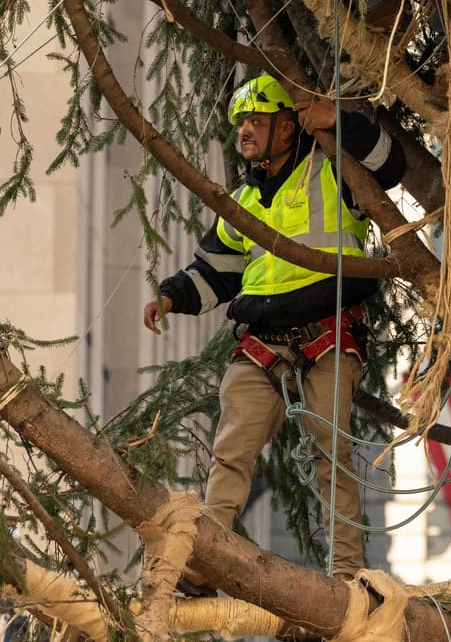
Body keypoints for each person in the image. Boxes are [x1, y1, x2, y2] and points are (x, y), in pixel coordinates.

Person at [142, 74, 404, 584]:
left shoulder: (332, 170)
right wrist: (171, 295)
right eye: (241, 122)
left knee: (333, 453)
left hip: (328, 330)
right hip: (263, 341)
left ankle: (350, 579)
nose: (244, 131)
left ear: (288, 127)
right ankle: (206, 565)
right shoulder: (243, 199)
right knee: (231, 450)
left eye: (255, 121)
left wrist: (339, 122)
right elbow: (215, 271)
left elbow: (389, 166)